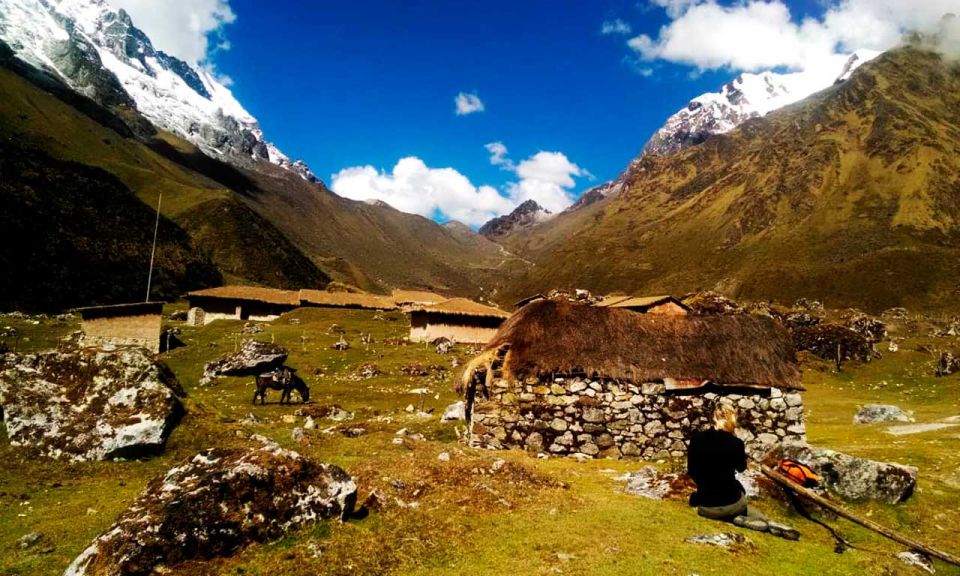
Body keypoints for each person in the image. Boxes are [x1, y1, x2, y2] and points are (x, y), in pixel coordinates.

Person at [687, 404, 800, 540]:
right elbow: (741, 467)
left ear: (713, 418)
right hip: (733, 502)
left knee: (723, 504)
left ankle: (737, 520)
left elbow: (692, 470)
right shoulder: (736, 443)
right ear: (733, 419)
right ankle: (767, 521)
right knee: (738, 497)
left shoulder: (696, 439)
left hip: (707, 508)